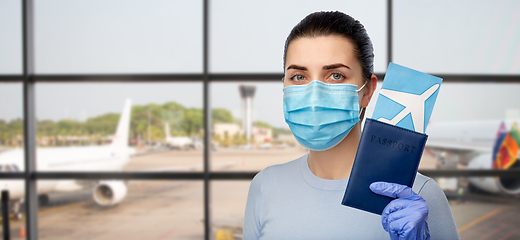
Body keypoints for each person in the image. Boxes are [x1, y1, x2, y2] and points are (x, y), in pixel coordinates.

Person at [243, 11, 460, 240]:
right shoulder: (265, 186)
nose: (314, 95)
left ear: (367, 91)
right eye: (298, 76)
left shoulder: (418, 197)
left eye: (335, 75)